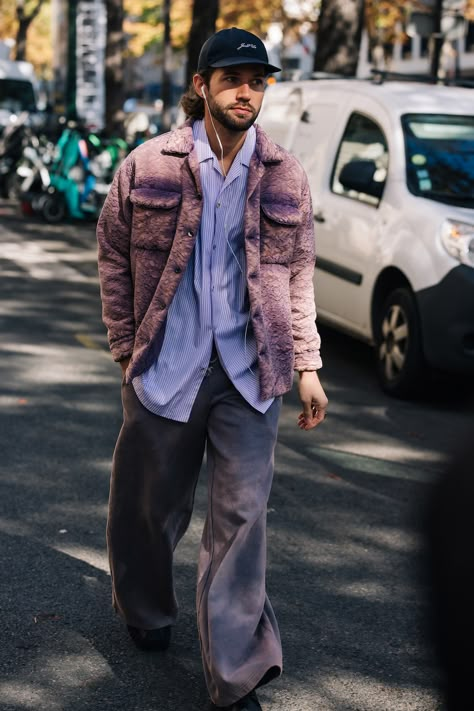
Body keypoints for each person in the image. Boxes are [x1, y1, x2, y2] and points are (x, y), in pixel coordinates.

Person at [97, 27, 328, 711]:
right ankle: (145, 603)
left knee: (242, 515)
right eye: (233, 79)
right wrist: (121, 346)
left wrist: (308, 364)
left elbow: (300, 276)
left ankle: (237, 668)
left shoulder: (285, 173)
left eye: (258, 81)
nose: (247, 92)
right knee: (149, 505)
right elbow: (112, 254)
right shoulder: (149, 164)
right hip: (168, 363)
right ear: (202, 86)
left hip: (251, 370)